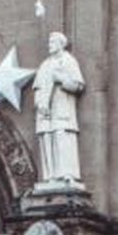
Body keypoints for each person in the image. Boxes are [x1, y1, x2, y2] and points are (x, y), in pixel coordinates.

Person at [32, 31, 85, 186]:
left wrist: (61, 79)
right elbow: (37, 87)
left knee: (62, 137)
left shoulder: (68, 61)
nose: (49, 45)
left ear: (61, 44)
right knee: (47, 138)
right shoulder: (45, 65)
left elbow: (78, 85)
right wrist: (39, 104)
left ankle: (67, 174)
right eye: (49, 42)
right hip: (45, 111)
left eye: (52, 42)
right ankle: (50, 176)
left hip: (61, 108)